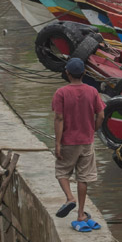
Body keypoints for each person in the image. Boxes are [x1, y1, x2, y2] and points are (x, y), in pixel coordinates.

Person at [52, 57, 105, 232]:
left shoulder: (61, 93)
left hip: (68, 140)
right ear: (83, 73)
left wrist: (58, 143)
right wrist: (92, 130)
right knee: (83, 178)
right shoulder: (92, 91)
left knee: (62, 172)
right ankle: (81, 214)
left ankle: (69, 198)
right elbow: (101, 115)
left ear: (67, 73)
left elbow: (59, 118)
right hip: (87, 141)